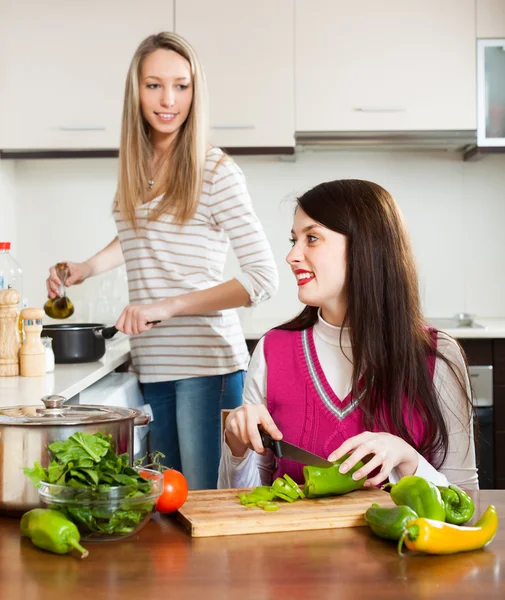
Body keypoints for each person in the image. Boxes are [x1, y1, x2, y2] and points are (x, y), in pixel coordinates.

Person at [46, 32, 278, 489]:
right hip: (153, 364)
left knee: (203, 506)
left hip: (205, 365)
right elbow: (139, 234)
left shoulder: (215, 171)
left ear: (196, 92)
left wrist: (165, 307)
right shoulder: (138, 168)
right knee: (167, 509)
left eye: (181, 85)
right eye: (154, 85)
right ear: (136, 90)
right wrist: (86, 269)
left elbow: (262, 278)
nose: (168, 99)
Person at [218, 179, 478, 490]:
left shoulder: (437, 355)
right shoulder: (272, 350)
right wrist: (236, 447)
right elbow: (241, 500)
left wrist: (409, 460)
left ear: (365, 247)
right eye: (293, 241)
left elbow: (466, 500)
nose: (292, 257)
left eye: (312, 238)